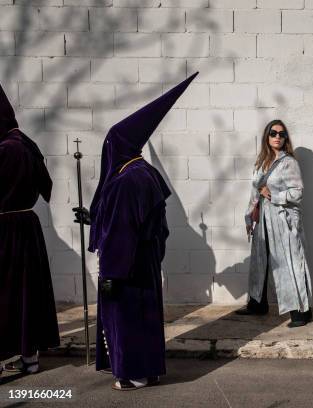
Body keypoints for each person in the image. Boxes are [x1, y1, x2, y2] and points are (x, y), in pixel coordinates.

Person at [73, 73, 197, 390]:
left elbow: (123, 231)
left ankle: (135, 374)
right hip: (144, 262)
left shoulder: (127, 180)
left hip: (126, 267)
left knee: (129, 319)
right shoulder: (145, 172)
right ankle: (148, 369)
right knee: (145, 318)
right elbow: (150, 225)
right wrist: (95, 219)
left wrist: (113, 273)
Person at [0, 81, 59, 376]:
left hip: (4, 230)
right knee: (28, 293)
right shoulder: (26, 143)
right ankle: (30, 357)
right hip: (28, 226)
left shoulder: (4, 149)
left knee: (6, 295)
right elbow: (45, 186)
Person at [237, 119, 313, 328]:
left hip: (283, 218)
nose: (277, 137)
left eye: (281, 134)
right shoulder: (261, 161)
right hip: (263, 218)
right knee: (260, 261)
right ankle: (257, 303)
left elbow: (298, 192)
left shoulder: (289, 162)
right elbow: (255, 191)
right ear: (267, 136)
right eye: (273, 133)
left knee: (290, 261)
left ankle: (301, 311)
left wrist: (274, 196)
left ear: (285, 138)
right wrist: (249, 215)